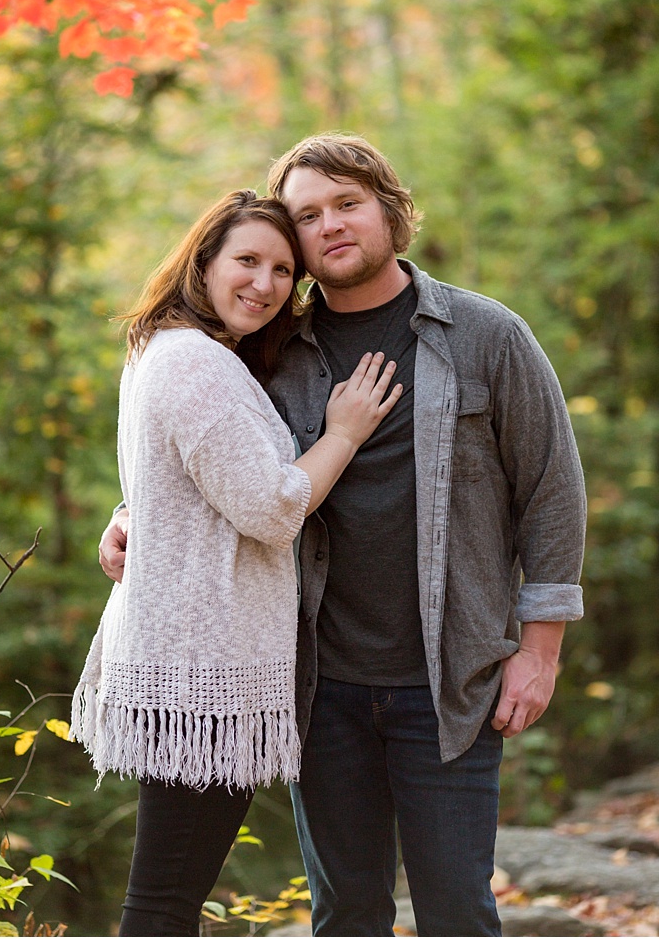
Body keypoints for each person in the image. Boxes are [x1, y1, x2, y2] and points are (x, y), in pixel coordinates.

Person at [100, 133, 587, 936]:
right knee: (346, 914)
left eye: (347, 204)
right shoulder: (270, 348)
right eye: (308, 215)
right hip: (315, 683)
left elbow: (553, 492)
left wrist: (540, 651)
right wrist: (130, 516)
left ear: (390, 211)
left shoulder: (486, 335)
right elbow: (207, 461)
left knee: (459, 909)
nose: (330, 225)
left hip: (449, 681)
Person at [73, 190, 402, 937]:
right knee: (162, 902)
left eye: (285, 270)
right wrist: (344, 433)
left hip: (184, 651)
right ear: (203, 261)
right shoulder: (197, 363)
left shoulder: (170, 348)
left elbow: (174, 485)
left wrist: (127, 519)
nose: (265, 283)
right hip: (201, 667)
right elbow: (273, 506)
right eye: (246, 261)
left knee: (166, 895)